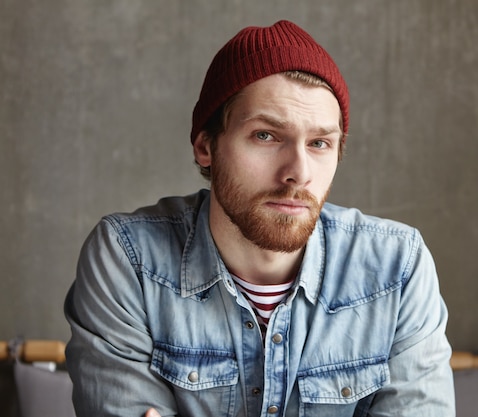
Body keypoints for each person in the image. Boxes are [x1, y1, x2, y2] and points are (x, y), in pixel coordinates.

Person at [64, 20, 455, 417]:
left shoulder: (397, 268)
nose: (298, 172)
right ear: (206, 146)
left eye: (319, 143)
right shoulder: (128, 260)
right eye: (266, 135)